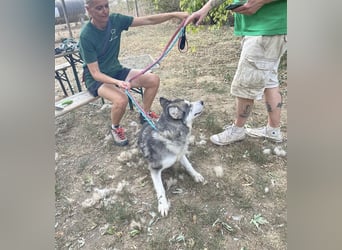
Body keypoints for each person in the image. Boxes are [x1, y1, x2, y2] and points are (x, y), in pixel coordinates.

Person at [79, 0, 189, 146]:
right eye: (99, 8)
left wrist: (174, 15)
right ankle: (115, 128)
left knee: (153, 80)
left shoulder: (116, 20)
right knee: (121, 99)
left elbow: (148, 20)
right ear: (88, 10)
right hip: (96, 79)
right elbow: (95, 73)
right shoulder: (86, 36)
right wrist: (117, 83)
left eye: (106, 6)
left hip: (116, 70)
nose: (105, 11)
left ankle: (145, 114)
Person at [185, 0, 287, 145]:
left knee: (245, 84)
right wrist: (206, 8)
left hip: (266, 29)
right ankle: (273, 130)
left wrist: (258, 2)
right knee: (270, 80)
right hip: (268, 28)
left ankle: (238, 130)